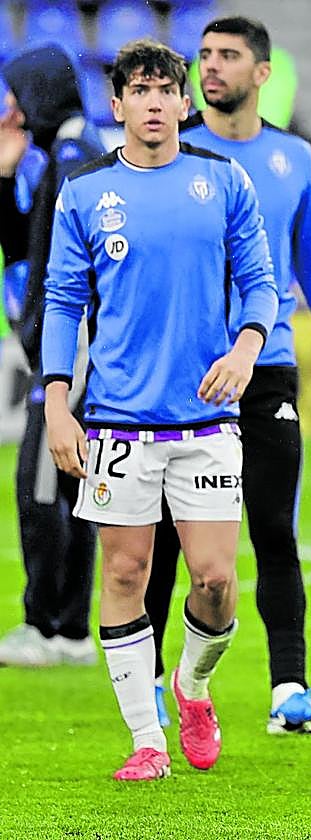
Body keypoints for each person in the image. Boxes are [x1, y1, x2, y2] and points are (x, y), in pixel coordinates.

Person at [142, 15, 311, 736]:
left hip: (268, 367)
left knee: (273, 529)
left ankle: (288, 691)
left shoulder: (294, 159)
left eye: (227, 57)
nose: (209, 68)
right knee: (161, 538)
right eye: (204, 56)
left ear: (263, 73)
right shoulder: (173, 154)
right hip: (180, 369)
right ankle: (151, 687)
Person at [42, 39, 277, 780]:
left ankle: (192, 685)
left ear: (184, 102)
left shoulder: (224, 180)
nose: (151, 103)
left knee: (213, 578)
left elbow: (263, 282)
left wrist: (244, 350)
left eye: (163, 90)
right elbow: (61, 302)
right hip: (114, 419)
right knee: (125, 574)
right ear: (116, 106)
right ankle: (147, 741)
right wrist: (56, 401)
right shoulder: (83, 191)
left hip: (205, 422)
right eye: (136, 91)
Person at [0, 44, 106, 668]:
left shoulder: (73, 158)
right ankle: (64, 628)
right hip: (61, 346)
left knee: (41, 488)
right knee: (65, 486)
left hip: (71, 351)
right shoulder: (59, 154)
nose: (10, 108)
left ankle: (50, 626)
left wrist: (49, 344)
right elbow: (23, 248)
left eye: (16, 93)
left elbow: (61, 271)